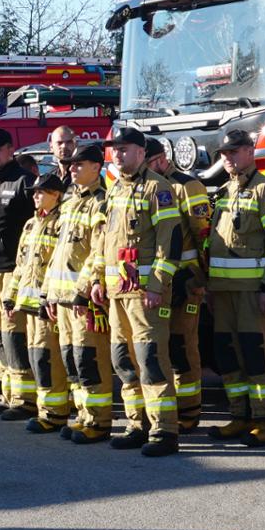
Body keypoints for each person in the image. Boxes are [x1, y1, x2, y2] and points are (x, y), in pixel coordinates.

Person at [87, 128, 183, 457]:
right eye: (114, 149)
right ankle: (136, 423)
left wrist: (157, 285)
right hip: (116, 294)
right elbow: (102, 242)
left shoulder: (159, 188)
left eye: (124, 149)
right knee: (124, 361)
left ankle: (164, 430)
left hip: (145, 296)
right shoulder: (113, 191)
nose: (117, 154)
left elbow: (170, 241)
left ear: (141, 152)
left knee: (151, 361)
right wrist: (98, 280)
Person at [204, 128, 265, 446]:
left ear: (250, 152)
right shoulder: (224, 191)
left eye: (234, 152)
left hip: (254, 292)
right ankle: (239, 416)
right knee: (229, 356)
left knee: (258, 356)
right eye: (224, 154)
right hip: (223, 293)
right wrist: (211, 289)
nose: (228, 158)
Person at [48, 144, 116, 443]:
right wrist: (48, 293)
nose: (72, 168)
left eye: (79, 164)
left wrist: (83, 292)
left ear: (96, 167)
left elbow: (98, 251)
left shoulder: (101, 202)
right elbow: (57, 253)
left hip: (82, 299)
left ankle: (99, 421)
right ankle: (83, 415)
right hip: (61, 299)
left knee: (90, 359)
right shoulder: (68, 201)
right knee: (72, 360)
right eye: (70, 164)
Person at [145, 138, 213, 431]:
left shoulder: (188, 187)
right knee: (160, 349)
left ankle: (189, 412)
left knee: (182, 348)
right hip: (159, 283)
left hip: (185, 282)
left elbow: (205, 236)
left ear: (160, 159)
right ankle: (168, 413)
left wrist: (200, 279)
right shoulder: (145, 186)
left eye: (148, 163)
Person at [0, 129, 37, 417]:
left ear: (10, 149)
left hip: (13, 271)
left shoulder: (24, 181)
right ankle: (9, 393)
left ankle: (25, 399)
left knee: (15, 335)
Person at [10, 173, 66, 430]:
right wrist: (10, 297)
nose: (35, 196)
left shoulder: (61, 222)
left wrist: (49, 297)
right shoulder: (31, 225)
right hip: (30, 304)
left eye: (41, 192)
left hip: (47, 303)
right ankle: (43, 408)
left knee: (48, 357)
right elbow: (21, 266)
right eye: (34, 192)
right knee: (36, 356)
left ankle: (54, 412)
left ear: (56, 195)